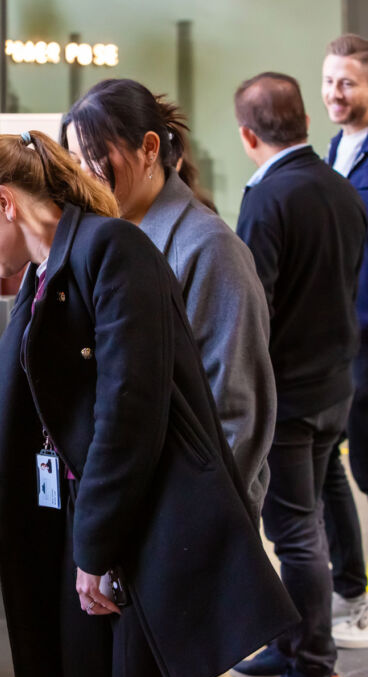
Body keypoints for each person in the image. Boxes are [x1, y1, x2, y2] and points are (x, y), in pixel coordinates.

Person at [0, 131, 297, 677]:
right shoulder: (41, 276)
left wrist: (96, 552)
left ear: (5, 202)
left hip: (129, 543)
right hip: (80, 538)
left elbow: (130, 415)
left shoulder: (113, 249)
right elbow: (24, 440)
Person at [60, 79, 275, 521]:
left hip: (189, 518)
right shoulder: (106, 243)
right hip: (128, 508)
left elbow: (236, 411)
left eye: (92, 158)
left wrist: (200, 523)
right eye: (75, 162)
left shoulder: (209, 247)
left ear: (149, 148)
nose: (82, 177)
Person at [230, 72, 367, 677]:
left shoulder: (267, 198)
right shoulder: (341, 189)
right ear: (307, 121)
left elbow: (253, 305)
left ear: (246, 134)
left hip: (290, 397)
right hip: (336, 384)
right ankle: (291, 645)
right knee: (307, 517)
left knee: (294, 533)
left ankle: (311, 664)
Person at [322, 33, 368, 648]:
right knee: (335, 461)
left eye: (348, 82)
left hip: (365, 333)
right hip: (337, 338)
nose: (335, 92)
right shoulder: (336, 146)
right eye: (330, 81)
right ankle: (352, 591)